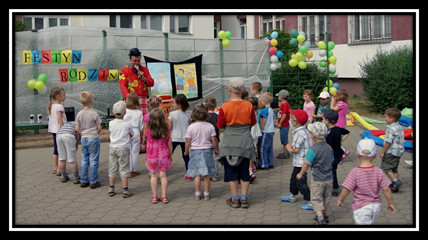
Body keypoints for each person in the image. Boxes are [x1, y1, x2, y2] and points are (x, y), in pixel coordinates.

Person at [217, 77, 257, 209]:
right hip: (245, 141)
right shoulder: (248, 105)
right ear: (244, 90)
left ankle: (235, 199)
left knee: (232, 172)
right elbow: (253, 122)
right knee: (245, 170)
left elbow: (220, 125)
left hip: (229, 141)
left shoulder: (225, 106)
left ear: (229, 89)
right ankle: (244, 199)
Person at [337, 138, 396, 225]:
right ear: (375, 155)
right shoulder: (379, 171)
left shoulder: (355, 172)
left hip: (361, 206)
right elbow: (386, 189)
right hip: (376, 205)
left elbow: (347, 188)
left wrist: (340, 199)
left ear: (357, 154)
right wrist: (391, 203)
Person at [297, 122, 334, 225]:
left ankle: (320, 218)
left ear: (313, 135)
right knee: (326, 198)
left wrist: (300, 174)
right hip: (329, 179)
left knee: (316, 199)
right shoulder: (329, 148)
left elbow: (306, 164)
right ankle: (325, 215)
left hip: (317, 179)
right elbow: (331, 160)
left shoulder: (313, 150)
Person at [119, 47, 155, 153]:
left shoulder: (144, 70)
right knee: (131, 123)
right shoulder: (124, 70)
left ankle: (144, 145)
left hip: (143, 98)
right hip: (131, 99)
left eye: (138, 60)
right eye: (134, 60)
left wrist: (143, 78)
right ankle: (131, 145)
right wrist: (127, 98)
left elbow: (151, 83)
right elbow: (123, 85)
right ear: (130, 59)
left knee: (144, 122)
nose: (136, 62)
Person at [184, 104, 219, 201]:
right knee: (207, 174)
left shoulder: (191, 127)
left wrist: (186, 150)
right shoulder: (210, 126)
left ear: (193, 115)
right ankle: (207, 193)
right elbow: (214, 139)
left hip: (195, 151)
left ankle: (197, 193)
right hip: (207, 150)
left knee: (197, 173)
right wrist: (216, 149)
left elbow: (188, 140)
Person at [280, 109, 313, 210]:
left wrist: (289, 148)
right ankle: (292, 194)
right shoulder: (305, 131)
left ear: (295, 122)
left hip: (301, 162)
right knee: (293, 179)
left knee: (300, 181)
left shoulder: (299, 133)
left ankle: (310, 200)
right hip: (301, 161)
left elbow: (296, 150)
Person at [75, 91, 102, 189]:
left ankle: (84, 180)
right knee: (94, 159)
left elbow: (77, 128)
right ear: (91, 101)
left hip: (84, 138)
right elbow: (99, 127)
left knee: (84, 159)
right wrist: (97, 133)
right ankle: (94, 181)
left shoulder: (79, 114)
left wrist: (82, 133)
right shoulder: (94, 114)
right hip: (93, 137)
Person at [145, 108, 173, 204]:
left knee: (153, 176)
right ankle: (164, 196)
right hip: (163, 155)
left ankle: (154, 196)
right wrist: (170, 154)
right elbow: (169, 143)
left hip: (152, 156)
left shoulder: (148, 130)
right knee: (163, 176)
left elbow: (147, 142)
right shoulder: (166, 129)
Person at [108, 100, 134, 198]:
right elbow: (131, 134)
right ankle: (125, 190)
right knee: (124, 168)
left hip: (113, 148)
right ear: (125, 112)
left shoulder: (111, 123)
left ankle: (111, 188)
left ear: (113, 112)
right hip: (124, 148)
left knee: (112, 168)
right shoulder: (127, 124)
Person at [323, 109, 350, 196]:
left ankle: (334, 189)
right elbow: (347, 132)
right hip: (337, 154)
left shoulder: (331, 132)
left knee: (331, 171)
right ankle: (333, 186)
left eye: (323, 119)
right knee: (332, 171)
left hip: (333, 155)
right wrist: (341, 140)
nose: (322, 121)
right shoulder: (338, 129)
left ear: (327, 120)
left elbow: (328, 145)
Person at [168, 94, 192, 181]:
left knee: (168, 155)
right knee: (186, 156)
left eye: (174, 103)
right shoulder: (188, 115)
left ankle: (161, 172)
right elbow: (190, 128)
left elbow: (169, 127)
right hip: (185, 139)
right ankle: (189, 174)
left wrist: (167, 137)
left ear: (179, 104)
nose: (173, 104)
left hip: (174, 138)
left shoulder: (172, 114)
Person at [380, 107, 405, 192]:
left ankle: (396, 182)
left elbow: (388, 141)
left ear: (392, 118)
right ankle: (395, 187)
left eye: (385, 117)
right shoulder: (399, 127)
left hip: (391, 152)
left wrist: (383, 152)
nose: (384, 119)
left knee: (386, 168)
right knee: (394, 168)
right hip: (399, 152)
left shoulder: (390, 128)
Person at [142, 95, 165, 179]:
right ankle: (159, 171)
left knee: (151, 154)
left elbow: (145, 127)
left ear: (149, 105)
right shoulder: (162, 115)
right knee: (159, 154)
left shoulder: (147, 116)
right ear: (159, 104)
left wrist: (144, 137)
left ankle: (151, 170)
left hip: (150, 138)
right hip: (160, 137)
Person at [47, 86, 67, 176]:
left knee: (56, 150)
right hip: (59, 130)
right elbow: (59, 119)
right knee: (61, 150)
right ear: (58, 96)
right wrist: (63, 128)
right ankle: (60, 169)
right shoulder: (60, 106)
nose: (65, 96)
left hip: (53, 130)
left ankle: (55, 167)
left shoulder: (52, 106)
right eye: (63, 95)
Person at [123, 92, 143, 178]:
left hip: (127, 132)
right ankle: (133, 170)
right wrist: (142, 136)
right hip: (136, 132)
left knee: (128, 152)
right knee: (135, 152)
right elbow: (141, 126)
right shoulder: (139, 112)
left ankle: (128, 169)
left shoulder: (125, 112)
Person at [330, 88, 350, 162]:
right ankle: (341, 154)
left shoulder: (341, 103)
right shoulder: (345, 103)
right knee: (337, 141)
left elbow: (332, 111)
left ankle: (342, 153)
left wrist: (332, 102)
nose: (335, 98)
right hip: (342, 123)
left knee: (336, 142)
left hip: (338, 124)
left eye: (337, 96)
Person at [205, 97, 221, 182]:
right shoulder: (217, 116)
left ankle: (205, 174)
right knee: (215, 158)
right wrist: (218, 137)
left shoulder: (204, 116)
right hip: (214, 140)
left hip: (205, 140)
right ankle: (214, 175)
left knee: (206, 158)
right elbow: (218, 128)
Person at [246, 96, 261, 183]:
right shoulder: (257, 111)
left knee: (249, 150)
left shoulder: (250, 113)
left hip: (251, 132)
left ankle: (250, 166)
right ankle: (252, 165)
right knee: (253, 148)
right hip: (256, 132)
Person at [258, 92, 275, 170]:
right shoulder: (271, 109)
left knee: (262, 149)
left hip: (266, 131)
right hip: (271, 131)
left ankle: (264, 164)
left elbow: (263, 122)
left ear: (264, 101)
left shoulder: (264, 110)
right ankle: (270, 162)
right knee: (269, 148)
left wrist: (260, 130)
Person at [275, 89, 291, 160]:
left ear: (281, 97)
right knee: (283, 139)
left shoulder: (285, 105)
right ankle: (285, 152)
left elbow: (284, 115)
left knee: (284, 140)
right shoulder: (283, 104)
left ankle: (286, 152)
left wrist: (280, 123)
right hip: (283, 124)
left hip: (284, 124)